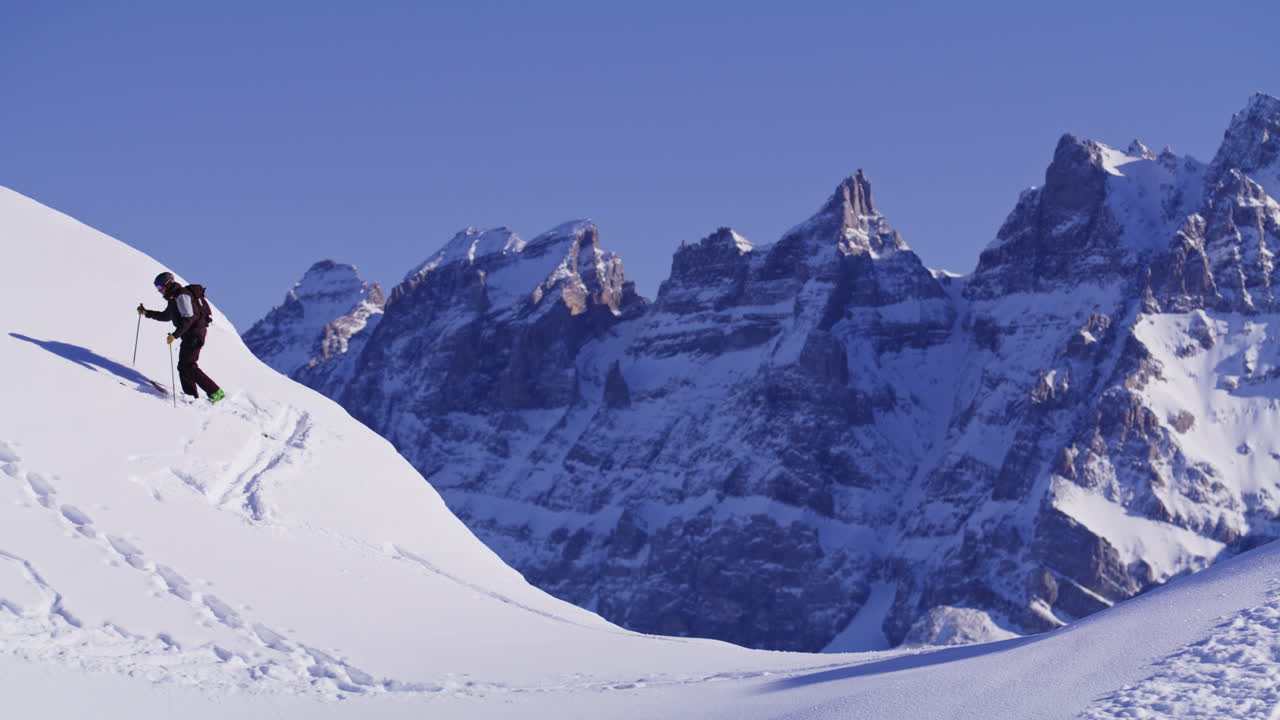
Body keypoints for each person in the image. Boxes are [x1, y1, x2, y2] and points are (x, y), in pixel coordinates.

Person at [138, 272, 226, 404]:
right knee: (184, 366)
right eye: (157, 289)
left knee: (188, 365)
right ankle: (191, 396)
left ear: (168, 284)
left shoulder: (182, 295)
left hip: (195, 334)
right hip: (189, 335)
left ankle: (215, 392)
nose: (159, 291)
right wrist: (147, 313)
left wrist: (175, 335)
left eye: (160, 288)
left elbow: (189, 317)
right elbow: (167, 316)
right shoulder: (173, 297)